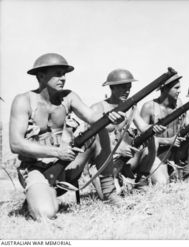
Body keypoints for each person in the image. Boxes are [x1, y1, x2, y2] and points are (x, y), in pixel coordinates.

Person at [9, 53, 125, 221]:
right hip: (36, 169)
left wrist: (110, 118)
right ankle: (38, 196)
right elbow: (16, 144)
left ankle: (109, 192)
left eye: (64, 74)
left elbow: (96, 120)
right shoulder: (23, 101)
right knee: (47, 212)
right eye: (57, 73)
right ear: (41, 76)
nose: (63, 78)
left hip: (68, 166)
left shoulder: (69, 97)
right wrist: (57, 153)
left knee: (100, 129)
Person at [70, 69, 166, 200]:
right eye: (122, 87)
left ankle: (141, 181)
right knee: (110, 196)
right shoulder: (97, 108)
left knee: (152, 138)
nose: (127, 91)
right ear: (112, 87)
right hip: (103, 161)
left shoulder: (131, 108)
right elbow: (92, 142)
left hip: (125, 158)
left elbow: (143, 127)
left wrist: (155, 128)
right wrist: (120, 149)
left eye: (129, 87)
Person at [140, 74, 185, 183]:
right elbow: (140, 138)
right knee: (162, 182)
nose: (179, 91)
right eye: (176, 88)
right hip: (153, 155)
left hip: (173, 155)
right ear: (165, 88)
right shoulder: (149, 107)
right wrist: (167, 141)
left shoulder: (179, 104)